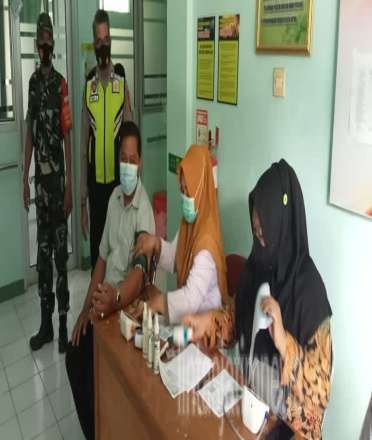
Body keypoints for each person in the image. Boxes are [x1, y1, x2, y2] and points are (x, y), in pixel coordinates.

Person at [183, 160, 333, 440]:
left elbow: (320, 393)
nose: (260, 244)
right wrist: (208, 323)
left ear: (283, 229)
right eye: (256, 233)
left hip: (290, 427)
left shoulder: (309, 293)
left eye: (266, 235)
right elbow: (233, 321)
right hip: (250, 406)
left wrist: (284, 343)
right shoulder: (255, 268)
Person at [66, 121, 155, 440]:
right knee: (75, 355)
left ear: (140, 162)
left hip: (126, 307)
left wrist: (114, 299)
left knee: (100, 368)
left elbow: (139, 276)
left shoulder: (144, 212)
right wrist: (85, 308)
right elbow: (102, 259)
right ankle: (95, 431)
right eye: (123, 158)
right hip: (105, 300)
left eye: (133, 159)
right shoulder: (115, 197)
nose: (127, 165)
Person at [130, 145, 228, 325]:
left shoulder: (207, 242)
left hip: (205, 330)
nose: (184, 197)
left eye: (188, 191)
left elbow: (190, 299)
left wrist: (158, 302)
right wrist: (156, 243)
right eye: (182, 190)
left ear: (201, 190)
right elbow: (175, 259)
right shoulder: (190, 225)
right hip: (189, 322)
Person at [23, 13, 72, 354]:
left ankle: (64, 325)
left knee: (60, 259)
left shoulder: (61, 84)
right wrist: (23, 178)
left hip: (58, 188)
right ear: (36, 44)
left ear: (53, 43)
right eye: (40, 40)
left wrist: (69, 188)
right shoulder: (31, 84)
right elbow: (30, 131)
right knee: (43, 258)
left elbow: (67, 137)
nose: (44, 45)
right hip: (40, 188)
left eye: (48, 40)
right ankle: (46, 326)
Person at [80, 9, 132, 270]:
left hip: (117, 184)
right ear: (94, 43)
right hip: (96, 186)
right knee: (97, 255)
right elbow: (83, 146)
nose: (103, 45)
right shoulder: (88, 84)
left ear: (111, 39)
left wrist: (133, 185)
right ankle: (96, 295)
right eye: (98, 41)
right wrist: (82, 199)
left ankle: (117, 295)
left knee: (118, 251)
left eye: (106, 39)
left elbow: (131, 135)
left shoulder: (121, 80)